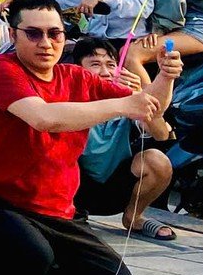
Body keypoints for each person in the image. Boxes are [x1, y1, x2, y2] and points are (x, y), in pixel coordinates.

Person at [0, 0, 173, 275]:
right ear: (13, 35)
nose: (46, 42)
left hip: (59, 214)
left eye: (54, 33)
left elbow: (148, 107)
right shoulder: (0, 70)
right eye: (33, 33)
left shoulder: (76, 77)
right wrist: (123, 106)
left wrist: (165, 77)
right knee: (33, 253)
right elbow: (45, 118)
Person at [67, 36, 177, 241]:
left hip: (114, 188)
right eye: (95, 65)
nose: (106, 72)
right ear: (77, 69)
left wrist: (163, 78)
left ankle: (134, 217)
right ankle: (67, 217)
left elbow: (160, 134)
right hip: (72, 189)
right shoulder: (66, 95)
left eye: (111, 64)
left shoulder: (128, 97)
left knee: (158, 161)